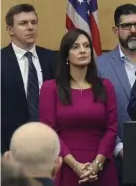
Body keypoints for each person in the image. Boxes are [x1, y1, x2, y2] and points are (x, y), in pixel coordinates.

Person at [39, 29, 118, 186]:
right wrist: (76, 166)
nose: (83, 50)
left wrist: (97, 164)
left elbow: (111, 129)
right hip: (65, 166)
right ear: (66, 55)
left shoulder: (105, 86)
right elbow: (49, 132)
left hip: (102, 167)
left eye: (87, 46)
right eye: (75, 47)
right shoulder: (50, 88)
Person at [96, 3, 136, 185]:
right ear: (115, 30)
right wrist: (118, 148)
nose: (133, 30)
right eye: (126, 26)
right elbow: (99, 113)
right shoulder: (100, 66)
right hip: (117, 158)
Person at [1, 4, 57, 154]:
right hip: (11, 148)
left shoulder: (53, 59)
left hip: (50, 145)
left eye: (33, 22)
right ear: (10, 30)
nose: (30, 27)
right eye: (23, 23)